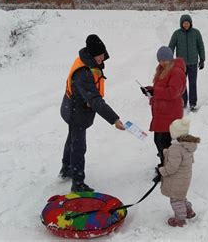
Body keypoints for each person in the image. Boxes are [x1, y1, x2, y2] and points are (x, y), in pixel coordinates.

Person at [60, 34, 126, 192]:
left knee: (72, 139)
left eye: (104, 54)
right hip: (76, 112)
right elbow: (95, 100)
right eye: (100, 55)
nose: (103, 58)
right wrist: (114, 119)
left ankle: (67, 167)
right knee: (78, 146)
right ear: (92, 54)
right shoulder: (83, 73)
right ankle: (78, 183)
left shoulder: (89, 62)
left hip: (73, 108)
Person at [140, 46, 186, 167]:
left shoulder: (176, 71)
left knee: (164, 143)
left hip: (170, 113)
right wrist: (150, 90)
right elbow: (161, 89)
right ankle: (165, 165)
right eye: (160, 60)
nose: (162, 63)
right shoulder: (161, 70)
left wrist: (156, 92)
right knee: (159, 141)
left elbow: (173, 92)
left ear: (170, 59)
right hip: (162, 113)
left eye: (164, 60)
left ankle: (169, 168)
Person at [155, 117, 200, 227]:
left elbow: (172, 168)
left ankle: (180, 219)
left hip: (176, 179)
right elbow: (185, 159)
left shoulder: (175, 148)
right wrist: (168, 153)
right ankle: (189, 212)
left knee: (176, 200)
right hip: (184, 177)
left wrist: (162, 171)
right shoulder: (187, 145)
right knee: (181, 196)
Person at [169, 14, 206, 111]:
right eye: (184, 23)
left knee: (192, 83)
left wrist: (202, 59)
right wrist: (169, 60)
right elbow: (171, 47)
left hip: (193, 63)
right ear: (181, 24)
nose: (186, 24)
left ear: (190, 23)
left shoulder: (196, 33)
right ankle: (183, 101)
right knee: (182, 84)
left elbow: (200, 46)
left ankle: (193, 103)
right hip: (181, 64)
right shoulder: (176, 34)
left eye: (187, 23)